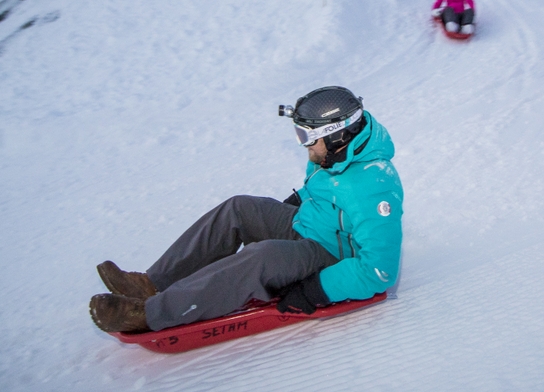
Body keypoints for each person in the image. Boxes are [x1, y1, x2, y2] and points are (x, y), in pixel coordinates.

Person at [89, 86, 404, 333]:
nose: (304, 147)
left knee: (262, 258)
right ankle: (151, 284)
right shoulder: (338, 154)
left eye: (308, 138)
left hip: (332, 256)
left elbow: (379, 270)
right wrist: (297, 202)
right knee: (239, 208)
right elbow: (325, 190)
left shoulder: (374, 187)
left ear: (338, 135)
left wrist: (316, 289)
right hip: (308, 225)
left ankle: (151, 314)